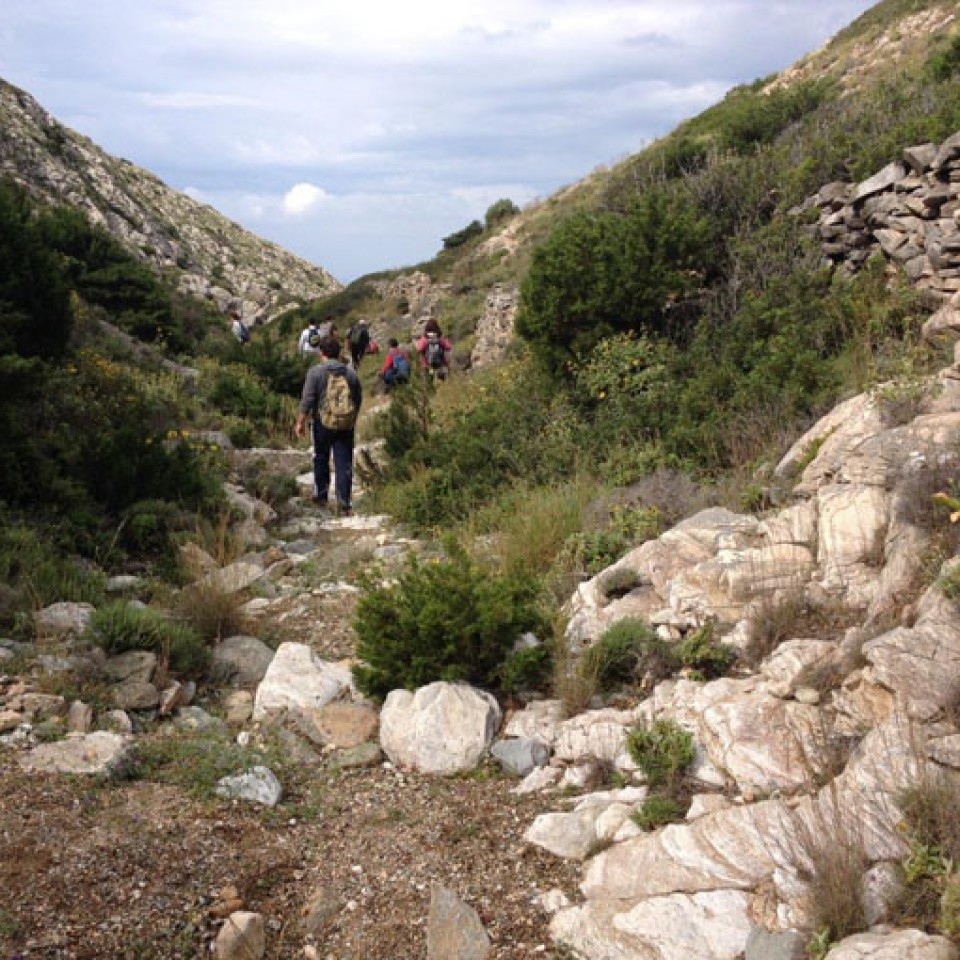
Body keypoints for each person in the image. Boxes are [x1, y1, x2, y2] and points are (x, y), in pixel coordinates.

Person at [294, 336, 362, 516]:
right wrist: (352, 418)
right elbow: (357, 398)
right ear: (338, 352)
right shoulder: (350, 373)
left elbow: (307, 400)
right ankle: (344, 502)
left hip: (322, 422)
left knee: (321, 457)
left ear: (321, 352)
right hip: (345, 423)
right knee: (344, 461)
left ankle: (321, 496)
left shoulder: (315, 372)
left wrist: (300, 422)